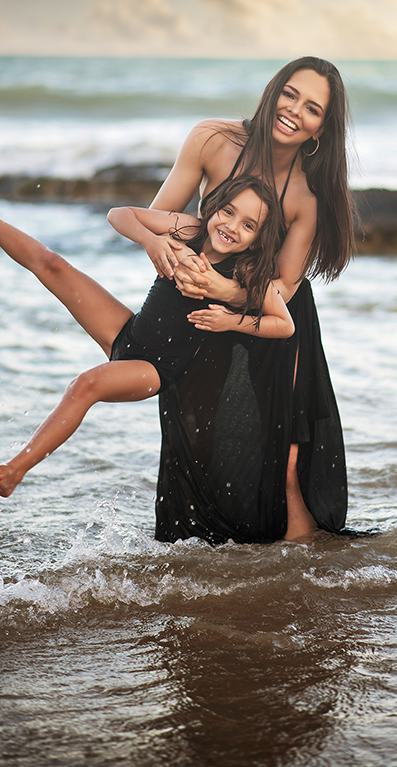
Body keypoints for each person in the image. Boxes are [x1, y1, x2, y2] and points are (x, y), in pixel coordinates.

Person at [0, 162, 293, 499]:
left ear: (258, 240)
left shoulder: (246, 272)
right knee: (52, 264)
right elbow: (119, 214)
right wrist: (149, 240)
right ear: (215, 207)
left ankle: (15, 470)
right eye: (229, 212)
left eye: (249, 225)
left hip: (156, 370)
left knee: (86, 384)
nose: (232, 226)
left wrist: (232, 321)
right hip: (128, 331)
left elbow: (284, 325)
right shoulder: (190, 229)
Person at [135, 55, 356, 544]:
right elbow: (161, 220)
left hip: (275, 317)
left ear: (321, 129)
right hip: (206, 304)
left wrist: (225, 291)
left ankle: (299, 561)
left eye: (313, 108)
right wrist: (167, 254)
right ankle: (199, 551)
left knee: (288, 452)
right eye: (290, 94)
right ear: (273, 90)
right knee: (193, 430)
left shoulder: (305, 196)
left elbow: (285, 288)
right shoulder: (212, 140)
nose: (295, 110)